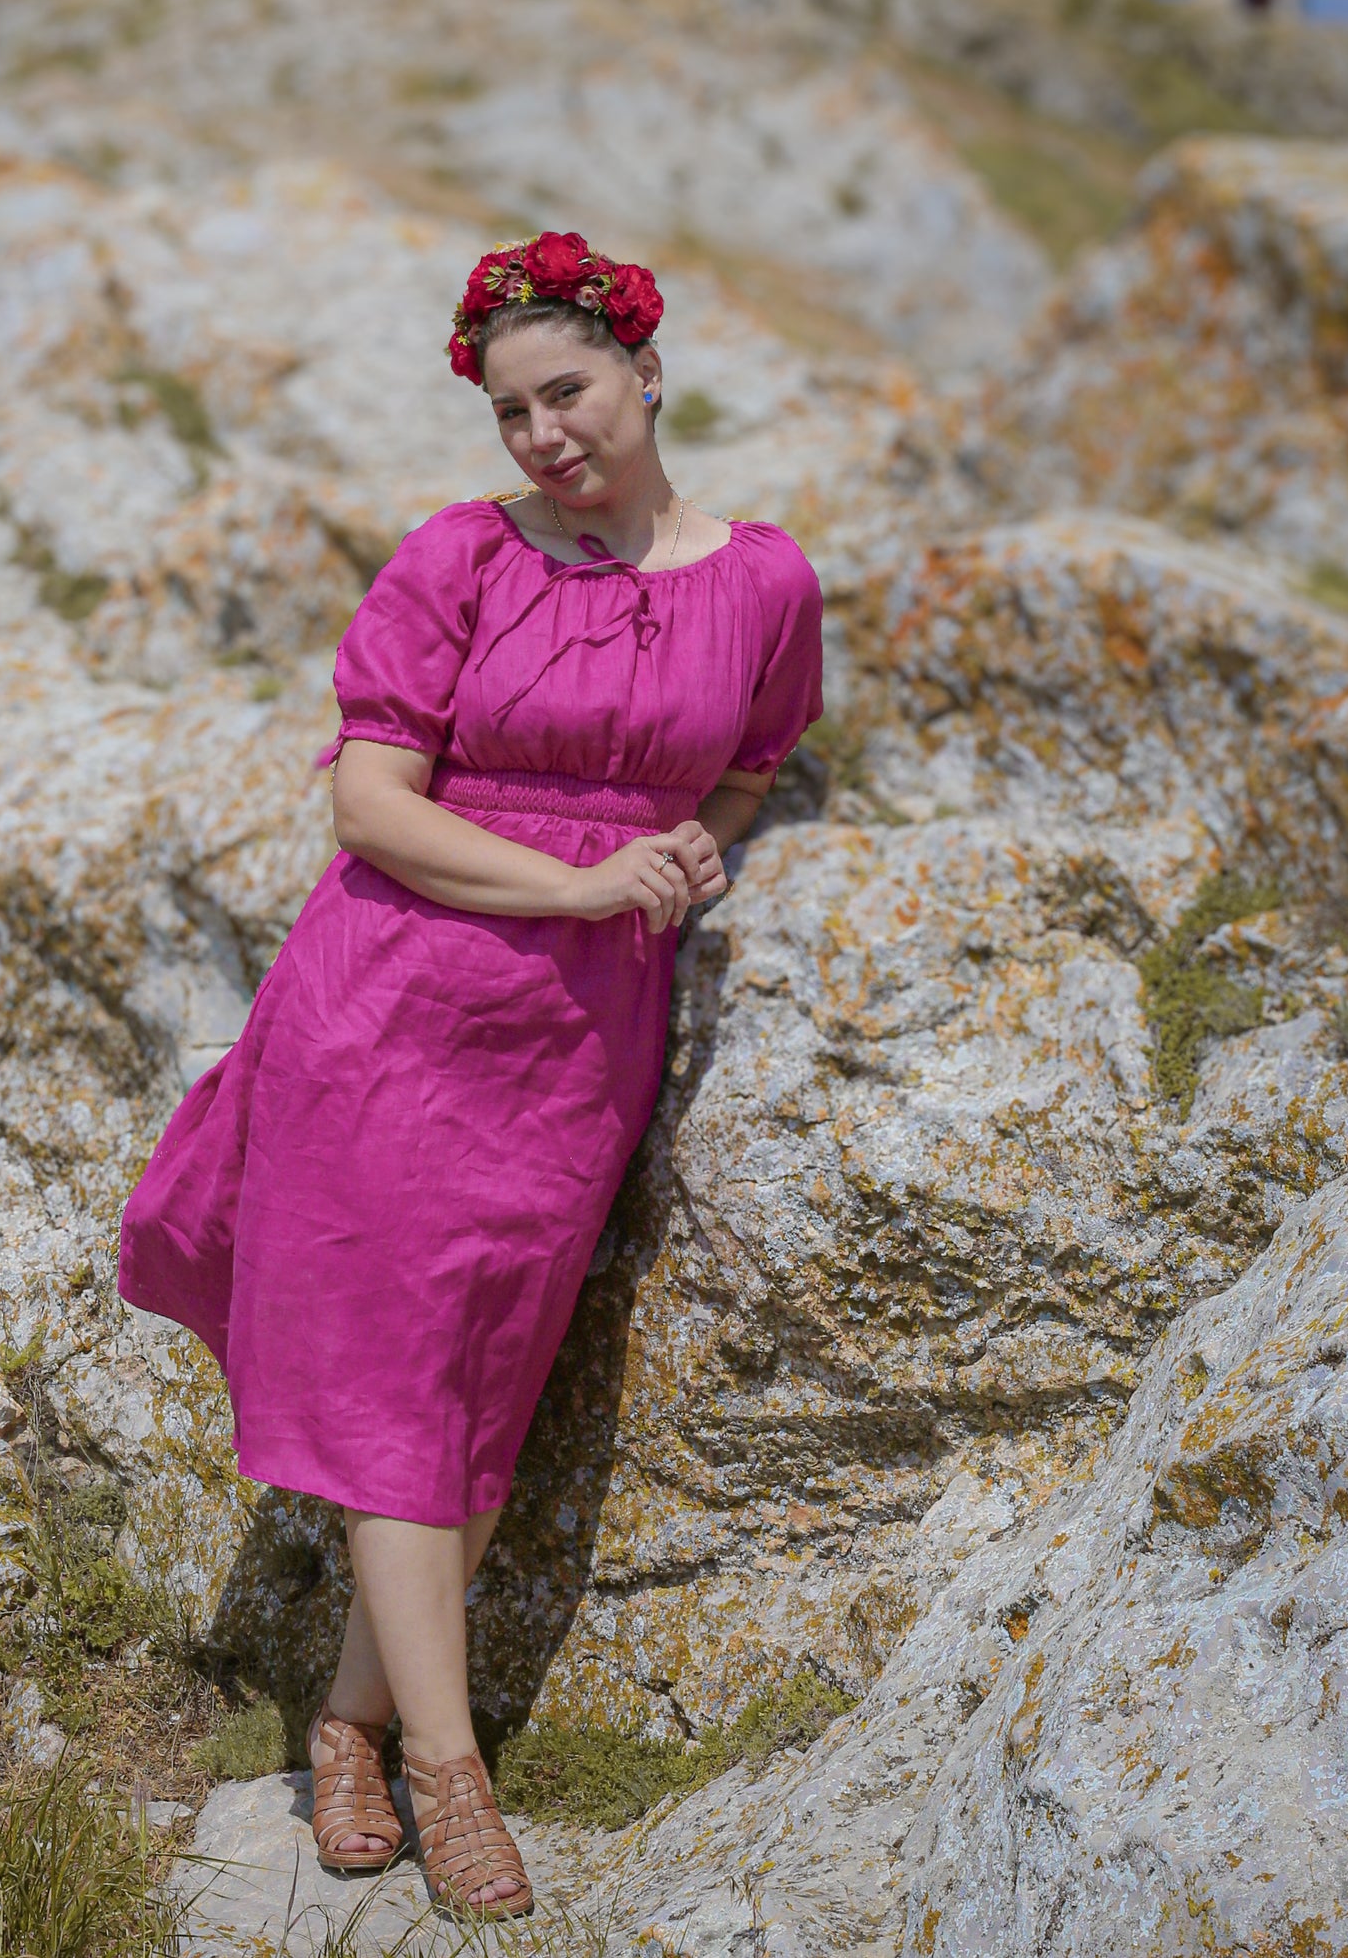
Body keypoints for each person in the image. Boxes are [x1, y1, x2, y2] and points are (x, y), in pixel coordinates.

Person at [118, 231, 823, 1917]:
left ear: (646, 372)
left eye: (564, 393)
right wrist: (582, 883)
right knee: (387, 1378)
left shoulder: (768, 581)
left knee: (478, 1383)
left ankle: (348, 1726)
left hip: (578, 1034)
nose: (541, 438)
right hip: (390, 999)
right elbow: (370, 805)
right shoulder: (453, 560)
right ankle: (449, 1775)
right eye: (510, 413)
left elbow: (756, 758)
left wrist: (694, 847)